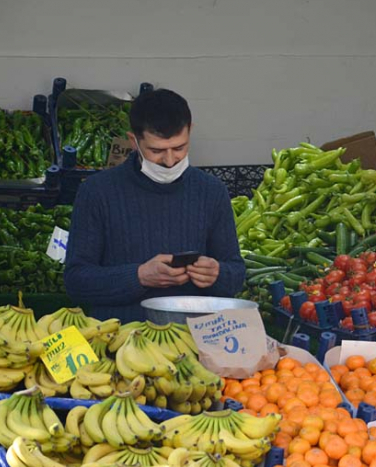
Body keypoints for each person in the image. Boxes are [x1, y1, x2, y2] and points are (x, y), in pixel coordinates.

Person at [64, 88, 245, 322]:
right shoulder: (97, 192)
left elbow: (236, 272)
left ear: (190, 132)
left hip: (194, 338)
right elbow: (76, 281)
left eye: (179, 148)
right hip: (121, 339)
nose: (170, 161)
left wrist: (217, 273)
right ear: (134, 141)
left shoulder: (211, 191)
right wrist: (138, 276)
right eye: (157, 151)